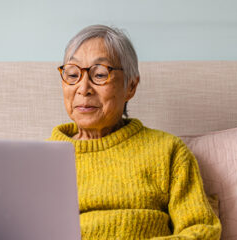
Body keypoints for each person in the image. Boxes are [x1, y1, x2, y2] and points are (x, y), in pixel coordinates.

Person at [47, 25, 222, 239]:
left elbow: (201, 230)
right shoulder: (40, 160)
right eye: (72, 74)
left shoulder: (168, 151)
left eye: (100, 74)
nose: (83, 88)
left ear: (131, 85)